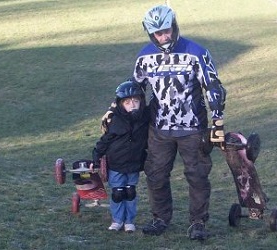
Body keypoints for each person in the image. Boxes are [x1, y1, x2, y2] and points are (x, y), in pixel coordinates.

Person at [134, 4, 227, 240]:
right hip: (159, 128)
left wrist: (217, 120)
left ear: (174, 26)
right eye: (157, 33)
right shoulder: (145, 57)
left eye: (166, 30)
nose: (163, 36)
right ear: (150, 33)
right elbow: (134, 89)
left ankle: (198, 222)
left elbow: (213, 85)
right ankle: (160, 218)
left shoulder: (197, 52)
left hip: (193, 128)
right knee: (155, 175)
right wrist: (114, 111)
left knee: (197, 175)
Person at [92, 80, 149, 233]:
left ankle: (129, 221)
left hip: (134, 163)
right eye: (128, 102)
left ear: (141, 102)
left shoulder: (145, 118)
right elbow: (105, 141)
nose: (132, 104)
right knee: (118, 193)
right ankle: (117, 220)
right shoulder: (115, 120)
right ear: (120, 104)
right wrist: (96, 157)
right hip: (116, 164)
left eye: (135, 101)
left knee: (130, 192)